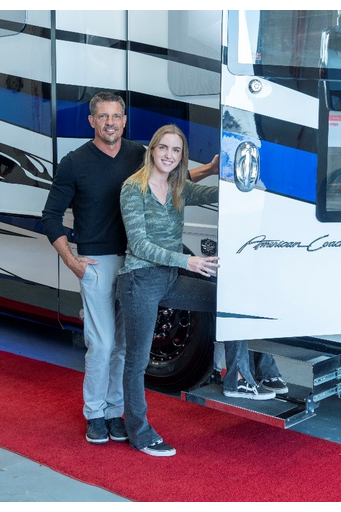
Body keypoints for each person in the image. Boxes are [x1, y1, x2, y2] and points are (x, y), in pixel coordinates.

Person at [41, 93, 218, 445]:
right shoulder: (74, 162)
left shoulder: (138, 153)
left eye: (116, 116)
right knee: (102, 344)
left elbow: (170, 178)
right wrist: (72, 261)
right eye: (103, 116)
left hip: (137, 264)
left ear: (124, 121)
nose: (110, 122)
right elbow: (50, 217)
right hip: (98, 262)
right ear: (92, 121)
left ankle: (114, 412)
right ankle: (95, 414)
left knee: (123, 347)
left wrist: (210, 171)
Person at [117, 124, 286, 457]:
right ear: (152, 150)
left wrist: (242, 178)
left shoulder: (178, 186)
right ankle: (139, 433)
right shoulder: (133, 188)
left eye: (176, 150)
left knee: (233, 301)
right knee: (136, 362)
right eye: (163, 148)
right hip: (139, 281)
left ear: (182, 156)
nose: (169, 155)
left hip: (168, 279)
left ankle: (239, 377)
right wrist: (188, 261)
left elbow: (216, 195)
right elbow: (139, 245)